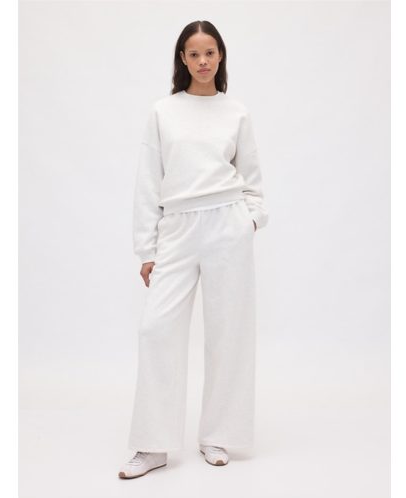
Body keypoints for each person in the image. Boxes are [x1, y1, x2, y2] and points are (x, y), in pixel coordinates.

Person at [119, 20, 269, 479]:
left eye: (210, 52)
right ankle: (153, 444)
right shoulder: (163, 112)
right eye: (193, 53)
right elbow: (149, 181)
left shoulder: (236, 113)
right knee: (156, 330)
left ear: (220, 56)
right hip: (178, 227)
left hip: (227, 224)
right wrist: (147, 249)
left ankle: (217, 434)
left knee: (229, 332)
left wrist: (249, 220)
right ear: (182, 59)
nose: (203, 61)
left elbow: (253, 180)